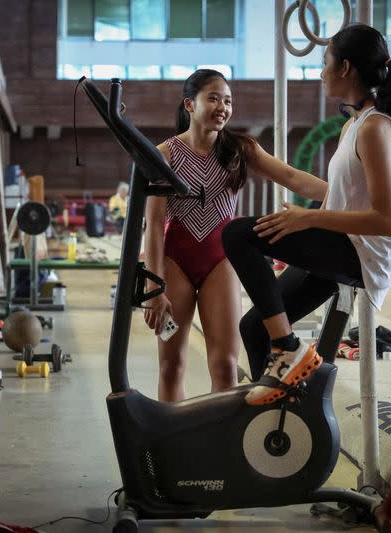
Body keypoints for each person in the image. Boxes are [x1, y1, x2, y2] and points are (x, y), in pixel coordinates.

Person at [221, 23, 391, 406]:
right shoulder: (354, 125)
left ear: (345, 68)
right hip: (341, 244)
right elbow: (318, 187)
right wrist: (252, 154)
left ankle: (288, 348)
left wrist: (308, 219)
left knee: (237, 234)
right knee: (254, 327)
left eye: (324, 64)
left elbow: (384, 220)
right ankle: (283, 414)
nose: (320, 73)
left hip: (360, 253)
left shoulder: (376, 129)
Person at [144, 69, 251, 401]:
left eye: (228, 100)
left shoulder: (236, 150)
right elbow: (154, 224)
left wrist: (341, 196)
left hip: (221, 259)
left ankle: (221, 444)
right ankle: (170, 444)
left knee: (225, 367)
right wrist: (153, 287)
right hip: (175, 259)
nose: (223, 107)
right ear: (190, 105)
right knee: (171, 366)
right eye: (214, 98)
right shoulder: (165, 154)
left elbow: (290, 176)